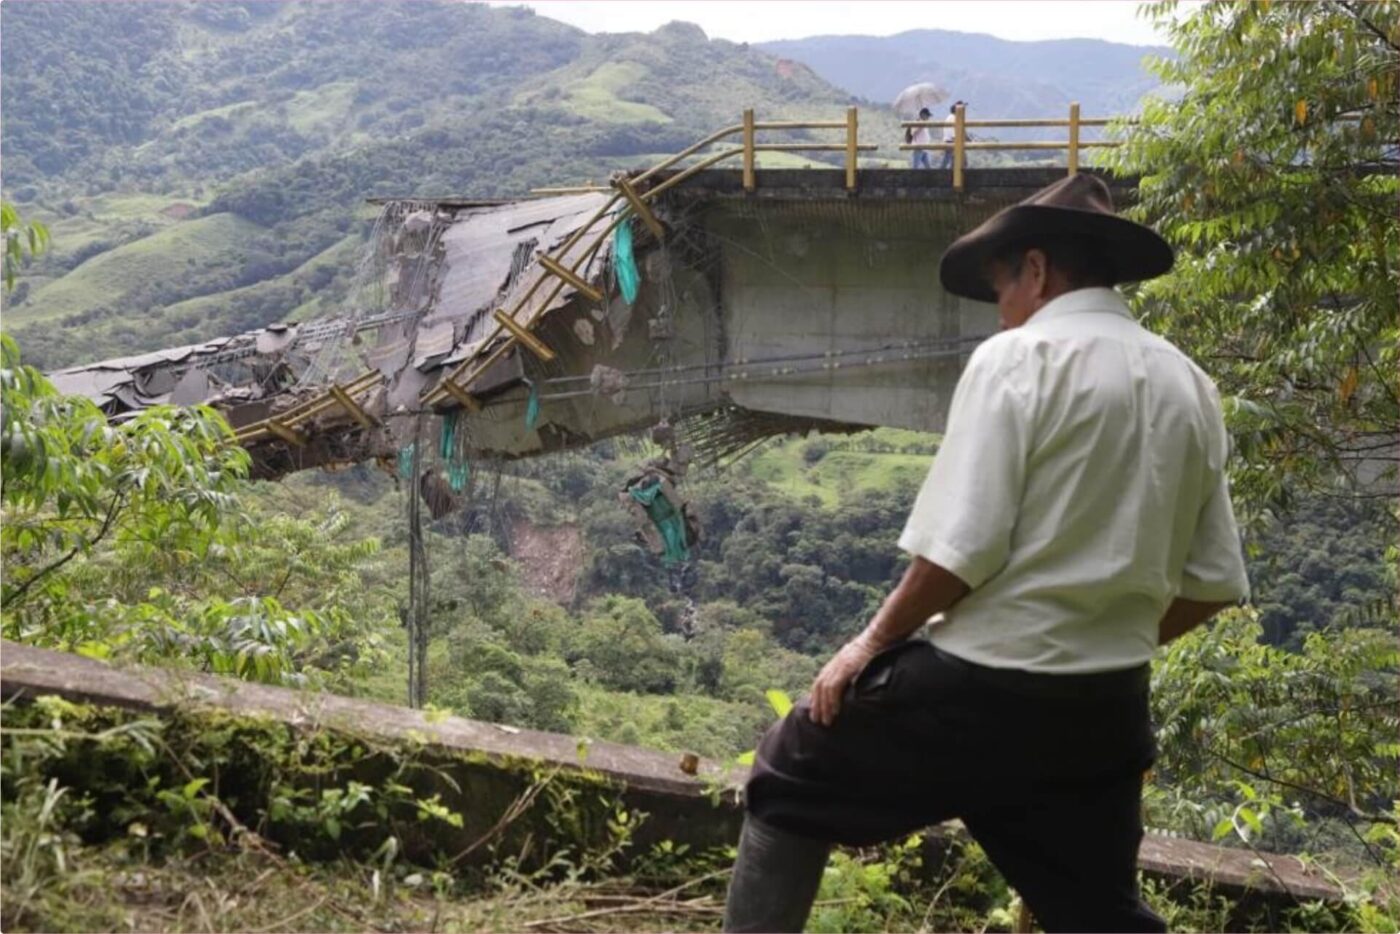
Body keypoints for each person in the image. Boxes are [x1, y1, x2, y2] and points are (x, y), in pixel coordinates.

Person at [723, 173, 1250, 934]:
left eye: (1001, 284)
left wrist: (867, 645)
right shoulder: (1190, 383)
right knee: (1096, 911)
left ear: (1035, 271)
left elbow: (958, 555)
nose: (1000, 307)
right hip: (1106, 707)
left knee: (787, 774)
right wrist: (1103, 635)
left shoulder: (1019, 358)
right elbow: (1213, 582)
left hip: (979, 694)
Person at [940, 100, 966, 169]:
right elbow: (953, 132)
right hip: (952, 141)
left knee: (949, 159)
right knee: (951, 158)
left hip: (949, 140)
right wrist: (956, 139)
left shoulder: (950, 117)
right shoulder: (953, 118)